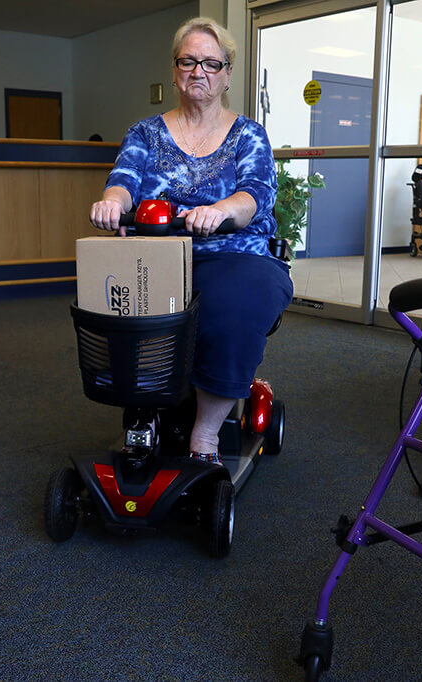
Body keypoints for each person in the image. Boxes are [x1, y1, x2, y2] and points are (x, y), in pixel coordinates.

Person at [89, 16, 292, 464]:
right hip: (157, 253)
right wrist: (111, 202)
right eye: (188, 61)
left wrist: (221, 210)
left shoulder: (247, 134)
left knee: (230, 306)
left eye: (211, 63)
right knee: (118, 307)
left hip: (234, 254)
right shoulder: (146, 132)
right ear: (175, 69)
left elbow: (255, 194)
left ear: (227, 74)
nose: (199, 71)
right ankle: (144, 411)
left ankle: (206, 433)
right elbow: (123, 180)